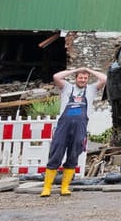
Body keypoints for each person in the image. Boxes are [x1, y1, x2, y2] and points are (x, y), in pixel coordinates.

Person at [43, 66, 106, 196]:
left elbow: (104, 78)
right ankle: (47, 188)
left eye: (85, 78)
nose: (83, 80)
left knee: (73, 155)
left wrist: (88, 70)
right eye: (80, 77)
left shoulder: (91, 89)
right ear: (76, 78)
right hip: (63, 126)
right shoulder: (67, 87)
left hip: (80, 127)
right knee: (56, 153)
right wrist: (75, 70)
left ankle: (65, 187)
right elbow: (56, 76)